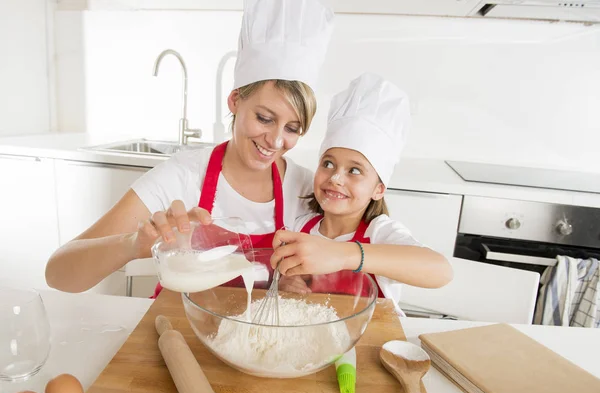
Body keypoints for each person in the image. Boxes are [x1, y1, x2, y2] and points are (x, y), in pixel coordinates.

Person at [45, 0, 335, 294]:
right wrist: (134, 244)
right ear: (235, 100)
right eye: (264, 118)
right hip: (176, 331)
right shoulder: (181, 176)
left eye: (292, 128)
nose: (274, 140)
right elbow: (58, 274)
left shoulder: (308, 189)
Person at [271, 73, 453, 300]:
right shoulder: (301, 227)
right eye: (328, 164)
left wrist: (343, 255)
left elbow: (441, 271)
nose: (336, 178)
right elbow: (283, 273)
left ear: (379, 189)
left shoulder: (380, 233)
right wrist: (287, 280)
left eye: (354, 170)